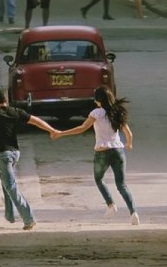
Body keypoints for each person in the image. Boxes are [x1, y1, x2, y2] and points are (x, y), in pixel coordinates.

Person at [53, 86, 139, 225]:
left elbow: (82, 128)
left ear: (98, 100)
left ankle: (111, 205)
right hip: (118, 150)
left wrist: (61, 133)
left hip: (102, 151)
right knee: (122, 184)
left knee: (99, 179)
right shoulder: (117, 112)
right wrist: (128, 144)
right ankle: (133, 212)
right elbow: (129, 133)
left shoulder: (96, 113)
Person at [0, 89, 59, 230]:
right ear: (6, 100)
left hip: (2, 155)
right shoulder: (15, 111)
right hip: (15, 153)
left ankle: (29, 218)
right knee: (6, 183)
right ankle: (10, 215)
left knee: (11, 187)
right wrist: (51, 130)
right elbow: (36, 121)